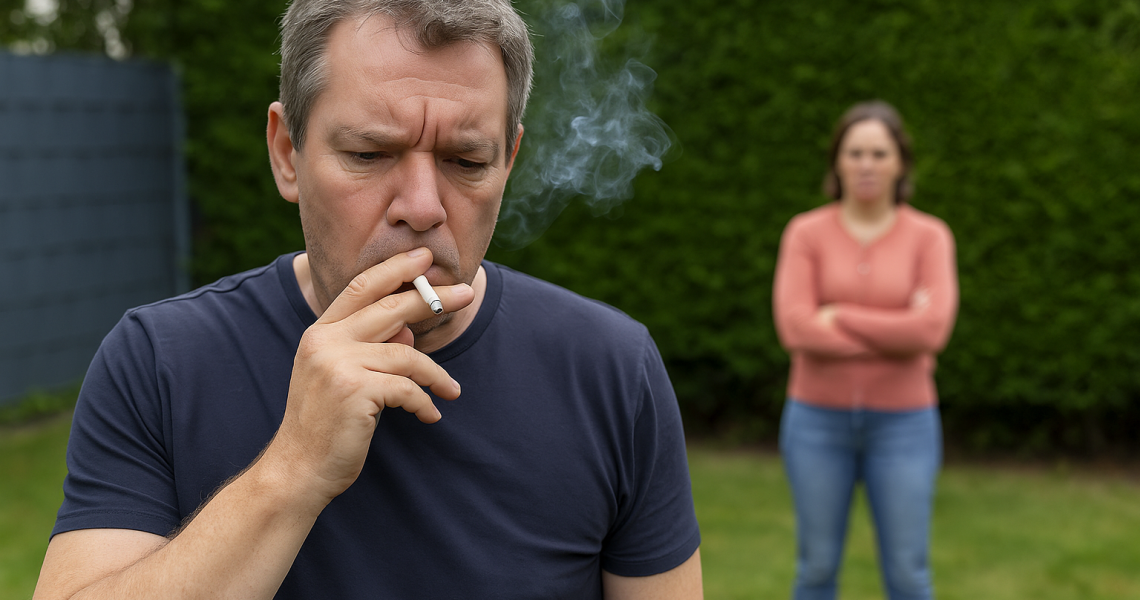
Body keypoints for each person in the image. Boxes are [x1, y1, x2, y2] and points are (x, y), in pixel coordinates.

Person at [32, 1, 703, 598]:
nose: (422, 207)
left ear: (509, 160)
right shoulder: (160, 362)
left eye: (467, 162)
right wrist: (293, 469)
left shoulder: (612, 369)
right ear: (287, 151)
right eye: (370, 154)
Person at [772, 100, 958, 600]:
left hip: (905, 425)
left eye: (879, 152)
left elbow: (932, 332)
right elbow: (796, 330)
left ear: (901, 162)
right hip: (816, 422)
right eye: (855, 153)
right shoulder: (805, 233)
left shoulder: (931, 237)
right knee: (815, 571)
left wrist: (839, 315)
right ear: (837, 161)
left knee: (908, 574)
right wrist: (899, 328)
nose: (867, 164)